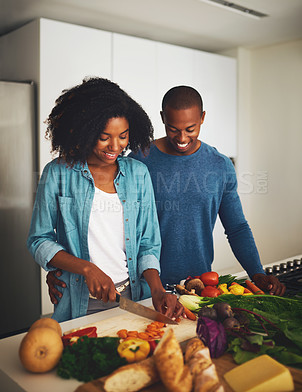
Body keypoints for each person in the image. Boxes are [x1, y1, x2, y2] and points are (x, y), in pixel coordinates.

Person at [47, 84, 285, 300]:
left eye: (190, 129)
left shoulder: (220, 166)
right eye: (173, 129)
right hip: (143, 288)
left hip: (199, 287)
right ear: (162, 118)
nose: (182, 138)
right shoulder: (139, 161)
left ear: (202, 118)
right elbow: (104, 224)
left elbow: (237, 228)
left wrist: (257, 272)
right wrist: (65, 269)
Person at [27, 77, 183, 323]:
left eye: (123, 136)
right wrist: (87, 268)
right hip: (79, 301)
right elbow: (39, 240)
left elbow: (148, 244)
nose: (115, 146)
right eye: (104, 137)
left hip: (134, 296)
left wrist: (157, 290)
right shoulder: (57, 173)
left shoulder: (137, 174)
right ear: (85, 131)